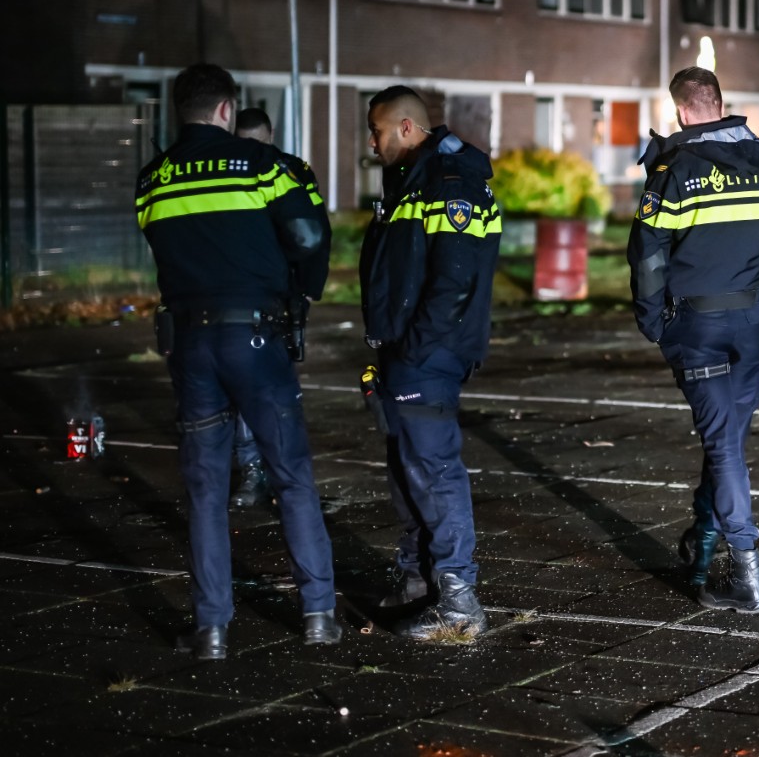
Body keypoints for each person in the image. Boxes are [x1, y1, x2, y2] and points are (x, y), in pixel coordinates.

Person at [134, 64, 339, 660]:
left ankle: (212, 629)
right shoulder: (263, 165)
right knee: (291, 474)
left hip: (190, 344)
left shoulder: (153, 179)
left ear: (182, 110)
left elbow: (160, 238)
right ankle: (320, 615)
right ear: (228, 110)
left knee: (204, 490)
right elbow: (307, 236)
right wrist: (293, 289)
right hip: (256, 338)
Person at [626, 67, 759, 613]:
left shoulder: (675, 171)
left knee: (723, 446)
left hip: (698, 327)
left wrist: (652, 320)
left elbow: (647, 256)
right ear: (719, 102)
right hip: (753, 325)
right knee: (727, 436)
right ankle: (704, 542)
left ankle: (747, 573)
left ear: (682, 111)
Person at [360, 86, 501, 638]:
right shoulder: (410, 183)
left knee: (435, 471)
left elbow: (454, 282)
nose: (371, 143)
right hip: (403, 353)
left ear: (405, 127)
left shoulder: (450, 184)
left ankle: (460, 601)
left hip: (427, 355)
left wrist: (415, 349)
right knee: (406, 470)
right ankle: (422, 581)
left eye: (376, 131)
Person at [225, 107, 279, 508]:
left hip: (273, 302)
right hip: (235, 302)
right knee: (240, 393)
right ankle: (252, 469)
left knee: (270, 394)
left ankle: (269, 469)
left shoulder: (281, 177)